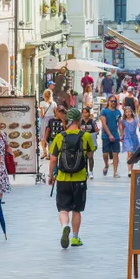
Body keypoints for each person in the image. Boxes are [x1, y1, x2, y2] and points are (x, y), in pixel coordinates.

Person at [48, 108, 96, 248]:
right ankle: (75, 238)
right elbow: (90, 155)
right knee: (76, 210)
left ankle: (64, 227)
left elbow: (52, 159)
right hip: (79, 178)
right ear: (79, 119)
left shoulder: (59, 136)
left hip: (63, 179)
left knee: (63, 209)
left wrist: (51, 176)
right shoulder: (85, 136)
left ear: (68, 120)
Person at [99, 96, 123, 178]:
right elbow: (104, 124)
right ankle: (106, 164)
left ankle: (115, 172)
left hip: (115, 135)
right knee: (105, 153)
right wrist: (109, 135)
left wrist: (121, 134)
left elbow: (119, 123)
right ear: (108, 101)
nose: (113, 103)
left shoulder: (118, 112)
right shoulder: (104, 111)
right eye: (111, 101)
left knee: (115, 153)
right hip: (106, 135)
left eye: (114, 101)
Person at [81, 105, 99, 180]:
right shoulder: (80, 121)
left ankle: (91, 171)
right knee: (83, 157)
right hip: (82, 141)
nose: (85, 114)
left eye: (86, 112)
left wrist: (93, 135)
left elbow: (97, 130)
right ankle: (84, 171)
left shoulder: (92, 121)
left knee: (90, 157)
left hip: (90, 141)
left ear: (89, 113)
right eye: (83, 113)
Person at [39, 89, 56, 159]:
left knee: (43, 136)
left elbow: (42, 115)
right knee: (50, 137)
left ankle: (44, 152)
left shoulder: (42, 103)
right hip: (52, 121)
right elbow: (55, 114)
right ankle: (49, 154)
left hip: (45, 121)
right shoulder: (54, 103)